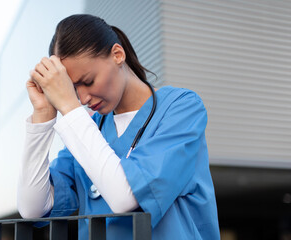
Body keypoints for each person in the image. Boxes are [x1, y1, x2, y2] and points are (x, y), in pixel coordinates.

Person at [17, 14, 220, 239]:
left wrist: (68, 105)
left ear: (117, 54)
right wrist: (43, 115)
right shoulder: (90, 129)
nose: (82, 98)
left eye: (88, 81)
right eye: (73, 89)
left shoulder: (181, 108)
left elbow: (125, 198)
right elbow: (32, 208)